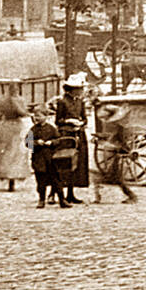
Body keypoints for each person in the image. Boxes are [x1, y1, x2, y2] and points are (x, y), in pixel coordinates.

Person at [51, 73, 89, 204]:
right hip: (66, 136)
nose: (80, 91)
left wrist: (81, 123)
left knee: (76, 165)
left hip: (79, 135)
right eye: (78, 88)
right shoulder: (62, 102)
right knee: (65, 165)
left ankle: (71, 193)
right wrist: (69, 121)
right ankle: (57, 193)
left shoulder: (80, 101)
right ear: (71, 89)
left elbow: (85, 118)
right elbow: (58, 121)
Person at [26, 106, 69, 209]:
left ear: (46, 116)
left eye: (40, 116)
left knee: (56, 180)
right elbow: (27, 143)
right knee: (40, 181)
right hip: (39, 158)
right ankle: (41, 200)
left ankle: (62, 200)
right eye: (35, 116)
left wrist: (52, 142)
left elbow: (58, 140)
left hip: (51, 158)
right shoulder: (33, 130)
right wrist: (36, 142)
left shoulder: (51, 128)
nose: (37, 118)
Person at [92, 110, 138, 204]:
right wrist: (98, 137)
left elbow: (121, 142)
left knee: (115, 178)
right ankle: (98, 197)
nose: (104, 119)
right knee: (106, 176)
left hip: (114, 154)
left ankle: (132, 196)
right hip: (110, 153)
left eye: (105, 118)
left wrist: (119, 148)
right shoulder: (110, 126)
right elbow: (107, 137)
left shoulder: (119, 128)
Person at [0, 94, 31, 192]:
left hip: (5, 126)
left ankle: (6, 176)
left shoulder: (2, 100)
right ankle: (13, 178)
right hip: (16, 126)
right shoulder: (17, 101)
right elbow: (22, 113)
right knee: (16, 152)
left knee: (6, 151)